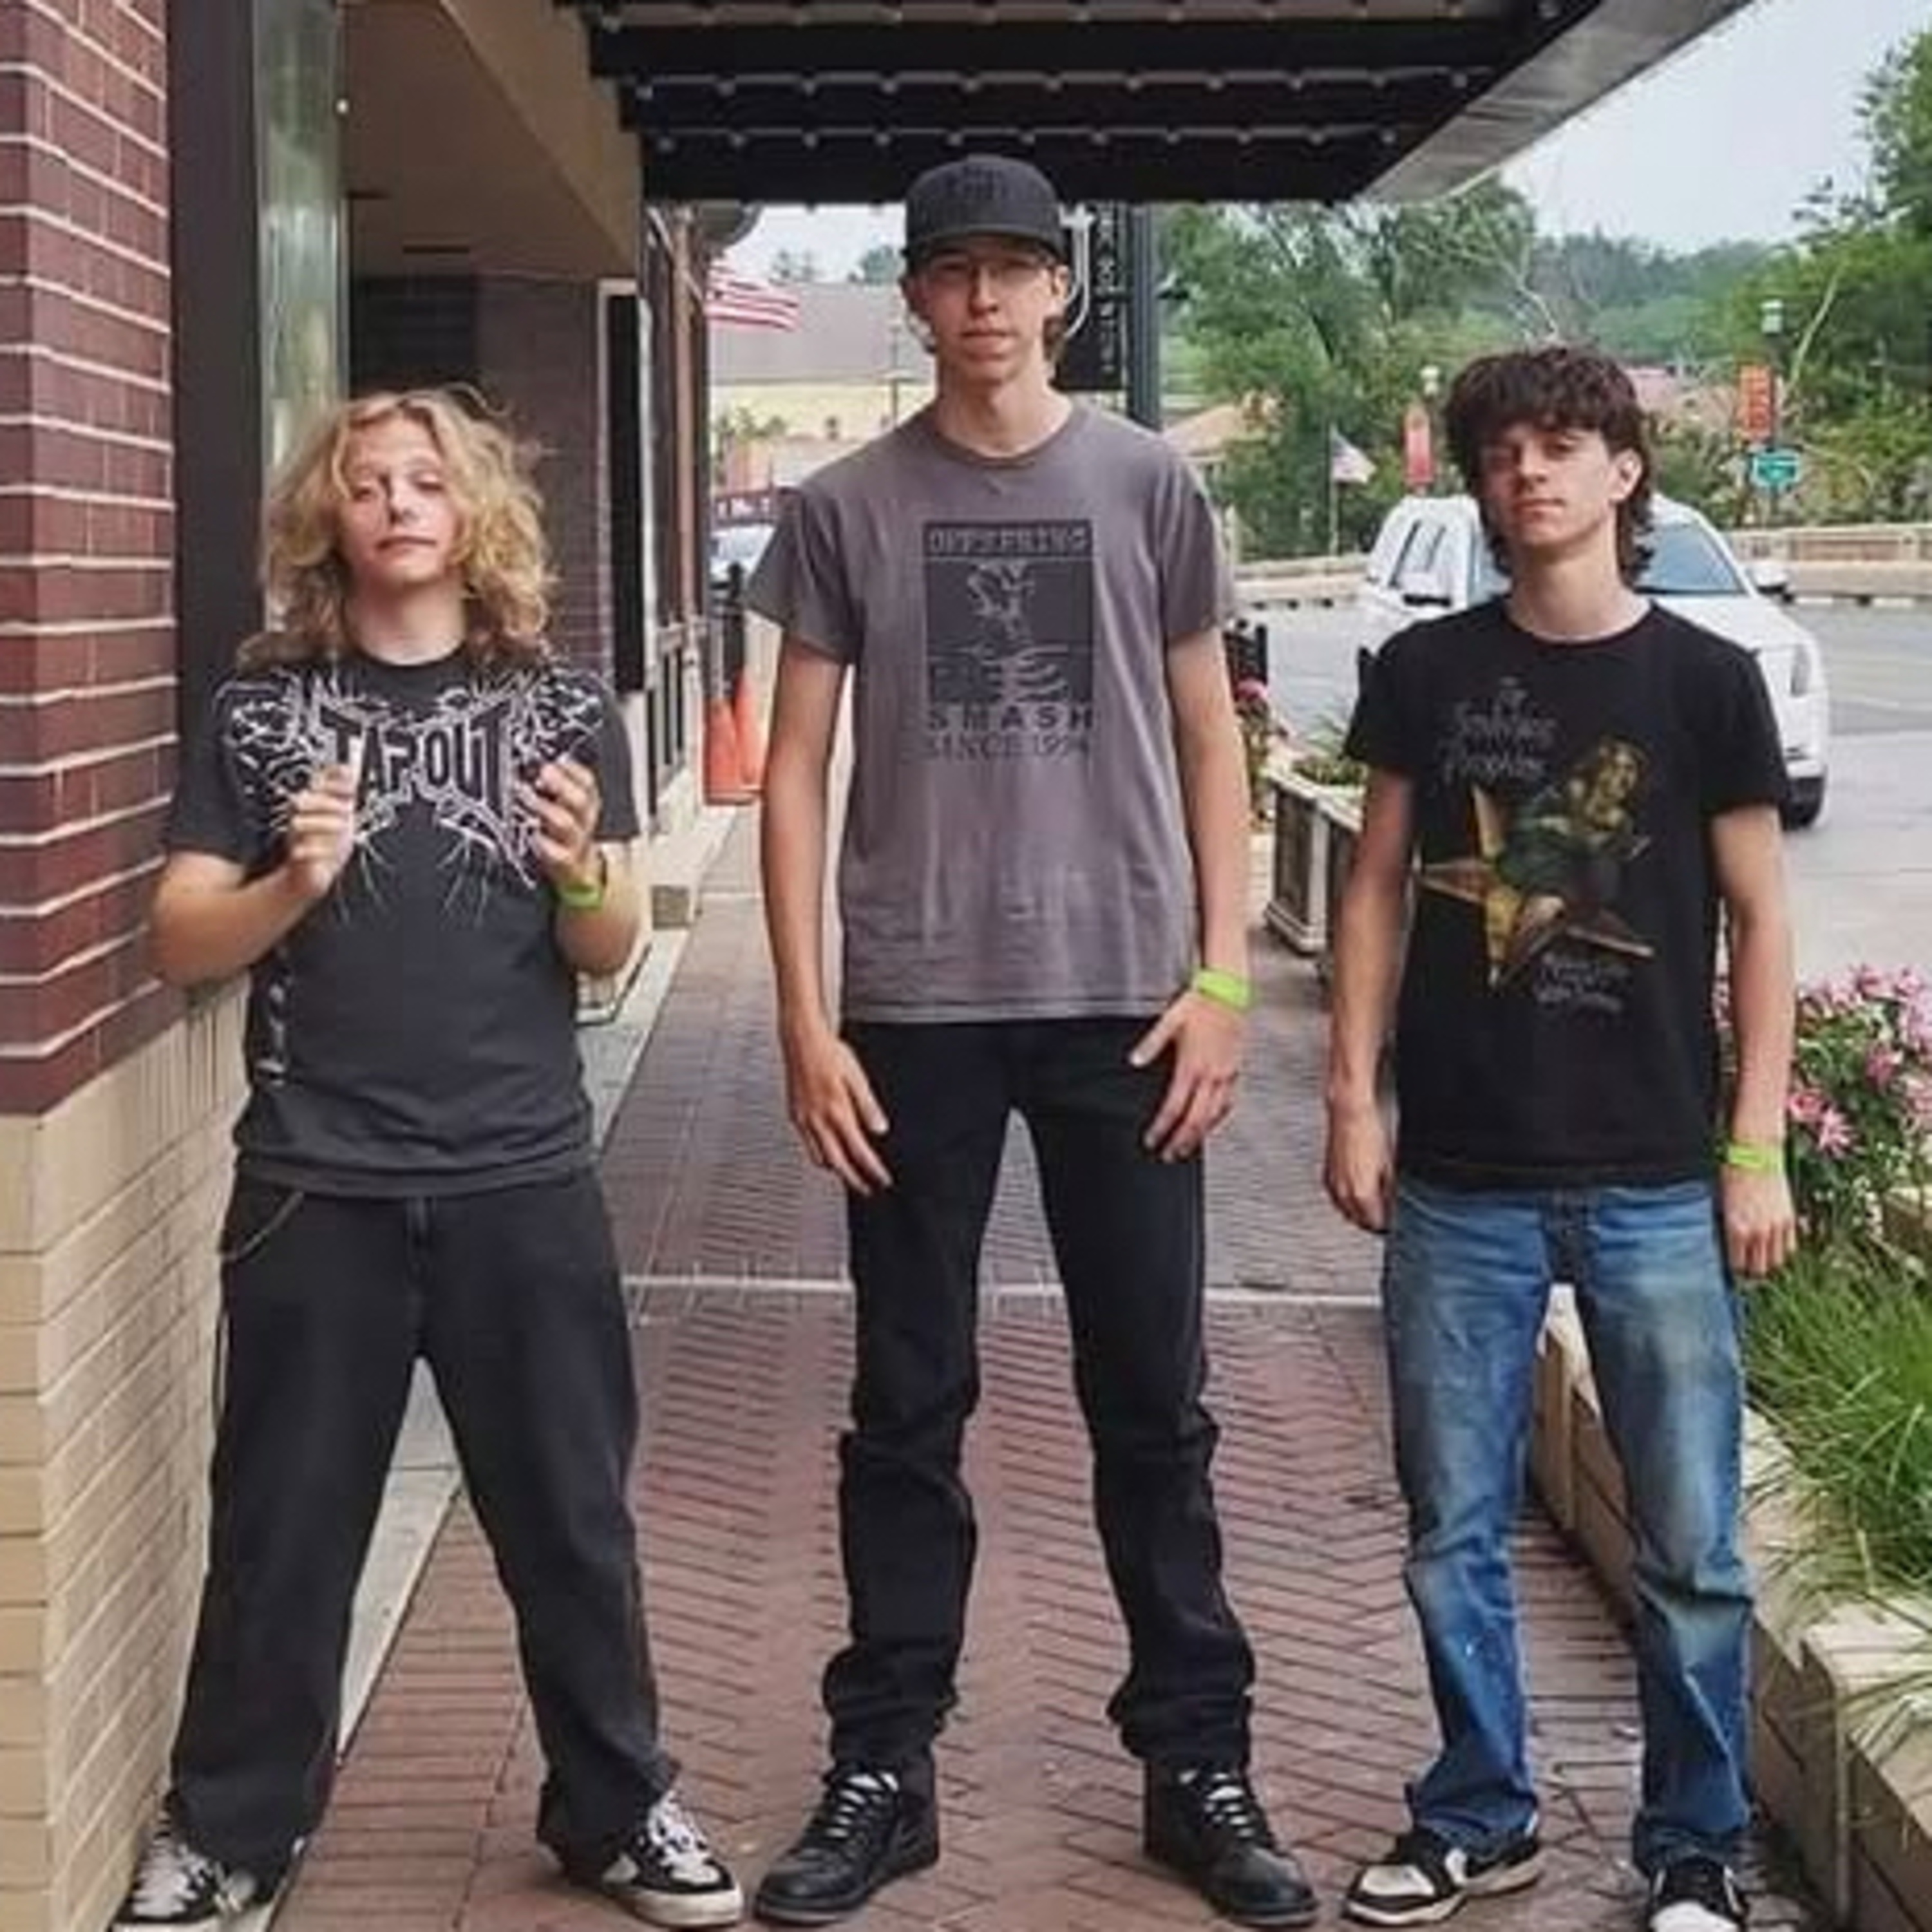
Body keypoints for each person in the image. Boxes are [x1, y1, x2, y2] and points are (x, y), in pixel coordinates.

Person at [743, 155, 1318, 1931]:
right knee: (905, 1403)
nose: (984, 299)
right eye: (952, 271)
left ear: (1062, 291)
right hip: (913, 1011)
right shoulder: (842, 507)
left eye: (1014, 268)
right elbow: (792, 771)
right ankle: (883, 1768)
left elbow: (1213, 738)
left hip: (1124, 1005)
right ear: (914, 298)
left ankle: (1197, 1765)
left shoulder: (1150, 484)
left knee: (1154, 1400)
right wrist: (804, 1017)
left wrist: (1223, 983)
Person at [113, 390, 741, 1931]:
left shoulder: (560, 704)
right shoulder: (261, 712)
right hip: (313, 1184)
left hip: (521, 1179)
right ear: (328, 518)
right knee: (282, 1532)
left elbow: (605, 943)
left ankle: (617, 1808)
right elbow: (178, 938)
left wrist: (579, 870)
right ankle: (230, 1831)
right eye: (368, 484)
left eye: (426, 482)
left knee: (571, 1520)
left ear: (474, 516)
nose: (398, 504)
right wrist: (290, 883)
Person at [1323, 346, 1797, 1932]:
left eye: (1563, 445)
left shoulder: (1706, 683)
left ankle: (1693, 1848)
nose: (1530, 472)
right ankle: (1481, 1810)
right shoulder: (1426, 672)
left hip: (1659, 1176)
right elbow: (1375, 889)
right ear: (1478, 480)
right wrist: (1351, 1097)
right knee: (1450, 1527)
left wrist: (1753, 1146)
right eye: (1503, 452)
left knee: (1695, 1544)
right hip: (1462, 1176)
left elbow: (1760, 918)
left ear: (1624, 472)